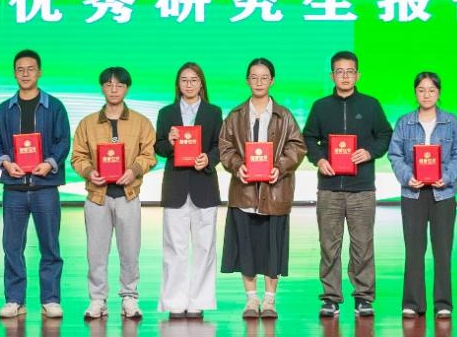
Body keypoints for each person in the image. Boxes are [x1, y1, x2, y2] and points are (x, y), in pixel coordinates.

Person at [303, 51, 392, 317]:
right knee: (329, 246)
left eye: (350, 71)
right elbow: (309, 138)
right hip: (329, 188)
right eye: (340, 71)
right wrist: (319, 159)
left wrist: (370, 152)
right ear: (332, 75)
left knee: (362, 245)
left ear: (358, 75)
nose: (345, 76)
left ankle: (363, 297)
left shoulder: (371, 105)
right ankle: (330, 297)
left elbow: (385, 135)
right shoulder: (320, 107)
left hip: (361, 188)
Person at [218, 57, 307, 319]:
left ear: (272, 81)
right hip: (244, 192)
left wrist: (280, 167)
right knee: (246, 246)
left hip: (274, 192)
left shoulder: (284, 115)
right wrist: (237, 166)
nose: (259, 82)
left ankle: (269, 300)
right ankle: (251, 300)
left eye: (264, 77)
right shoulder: (235, 115)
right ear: (247, 81)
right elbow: (225, 147)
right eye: (254, 77)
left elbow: (297, 146)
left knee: (272, 247)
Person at [0, 49, 70, 318]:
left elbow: (63, 141)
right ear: (14, 73)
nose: (25, 74)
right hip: (14, 188)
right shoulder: (4, 110)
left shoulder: (54, 107)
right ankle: (15, 300)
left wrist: (49, 163)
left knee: (50, 245)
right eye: (20, 69)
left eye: (30, 69)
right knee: (12, 246)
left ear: (39, 72)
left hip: (45, 187)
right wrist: (5, 163)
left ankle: (51, 299)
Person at [71, 67, 156, 319]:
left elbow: (149, 154)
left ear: (127, 88)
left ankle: (129, 297)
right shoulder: (87, 123)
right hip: (97, 196)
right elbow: (77, 156)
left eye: (119, 85)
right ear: (102, 88)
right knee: (96, 252)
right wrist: (89, 172)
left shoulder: (141, 122)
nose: (114, 89)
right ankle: (97, 299)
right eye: (109, 85)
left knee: (130, 251)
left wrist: (134, 170)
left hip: (128, 195)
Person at [388, 72, 457, 319]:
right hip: (413, 194)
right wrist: (407, 176)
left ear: (439, 93)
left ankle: (443, 303)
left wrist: (448, 175)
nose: (426, 95)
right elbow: (395, 154)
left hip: (443, 194)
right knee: (414, 250)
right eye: (421, 90)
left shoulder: (451, 122)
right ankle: (413, 303)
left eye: (431, 90)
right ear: (415, 93)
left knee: (442, 250)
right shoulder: (404, 122)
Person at [154, 62, 223, 319]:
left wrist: (209, 159)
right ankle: (175, 301)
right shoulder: (166, 113)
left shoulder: (213, 112)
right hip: (176, 186)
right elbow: (158, 147)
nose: (189, 84)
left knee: (205, 247)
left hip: (204, 184)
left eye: (194, 80)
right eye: (184, 80)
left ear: (201, 83)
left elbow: (220, 146)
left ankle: (199, 301)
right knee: (175, 247)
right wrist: (170, 143)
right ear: (178, 84)